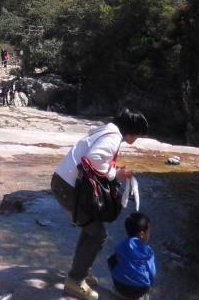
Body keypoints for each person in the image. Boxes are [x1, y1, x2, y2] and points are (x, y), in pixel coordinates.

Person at [50, 107, 149, 300]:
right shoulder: (112, 137)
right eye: (138, 134)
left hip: (66, 184)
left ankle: (80, 270)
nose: (137, 138)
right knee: (99, 234)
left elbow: (95, 160)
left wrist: (113, 170)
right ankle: (75, 280)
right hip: (68, 188)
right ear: (132, 129)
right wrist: (115, 174)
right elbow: (95, 158)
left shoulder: (107, 130)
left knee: (91, 228)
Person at [108, 212, 156, 299]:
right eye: (148, 232)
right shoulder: (148, 251)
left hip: (121, 286)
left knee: (112, 259)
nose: (149, 235)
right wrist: (150, 286)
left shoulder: (121, 244)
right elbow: (152, 272)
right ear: (142, 234)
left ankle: (116, 289)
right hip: (141, 289)